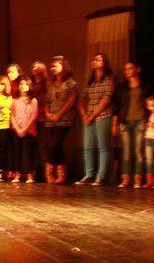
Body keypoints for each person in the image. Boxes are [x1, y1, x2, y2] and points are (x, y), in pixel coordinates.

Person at [76, 53, 116, 186]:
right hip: (89, 116)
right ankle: (89, 174)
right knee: (88, 147)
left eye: (98, 60)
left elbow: (106, 100)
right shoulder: (90, 80)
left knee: (103, 147)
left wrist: (92, 116)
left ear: (104, 63)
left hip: (103, 115)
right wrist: (84, 116)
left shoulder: (109, 79)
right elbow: (81, 99)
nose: (95, 61)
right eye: (94, 60)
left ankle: (100, 176)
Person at [113, 62, 149, 189]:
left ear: (137, 69)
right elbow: (117, 105)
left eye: (130, 68)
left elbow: (149, 103)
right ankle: (125, 179)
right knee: (126, 151)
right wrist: (115, 123)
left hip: (140, 121)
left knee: (138, 151)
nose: (127, 71)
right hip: (125, 122)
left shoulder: (144, 85)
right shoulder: (122, 86)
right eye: (125, 69)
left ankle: (137, 180)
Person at [44, 56, 78, 184]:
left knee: (55, 144)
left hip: (64, 119)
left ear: (63, 67)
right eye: (51, 66)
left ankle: (49, 170)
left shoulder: (71, 83)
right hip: (51, 120)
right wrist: (48, 114)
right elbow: (46, 101)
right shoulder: (50, 84)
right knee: (55, 146)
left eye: (55, 66)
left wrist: (59, 114)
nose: (52, 68)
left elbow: (72, 100)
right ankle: (62, 174)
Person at [10, 77, 38, 183]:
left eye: (26, 84)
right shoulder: (15, 100)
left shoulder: (33, 100)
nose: (23, 86)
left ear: (29, 86)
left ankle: (29, 175)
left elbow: (33, 116)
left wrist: (25, 129)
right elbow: (12, 115)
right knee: (17, 152)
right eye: (21, 84)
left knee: (28, 152)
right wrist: (18, 129)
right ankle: (17, 174)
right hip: (17, 130)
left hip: (29, 130)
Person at [30, 61, 49, 180]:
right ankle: (35, 171)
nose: (35, 69)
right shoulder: (30, 84)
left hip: (42, 118)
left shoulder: (46, 85)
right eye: (33, 67)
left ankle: (46, 172)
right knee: (33, 145)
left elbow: (47, 101)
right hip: (31, 119)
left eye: (38, 67)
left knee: (43, 145)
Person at [144, 96, 154, 188]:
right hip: (148, 138)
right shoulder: (150, 115)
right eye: (150, 105)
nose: (151, 107)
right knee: (149, 160)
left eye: (153, 105)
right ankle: (150, 181)